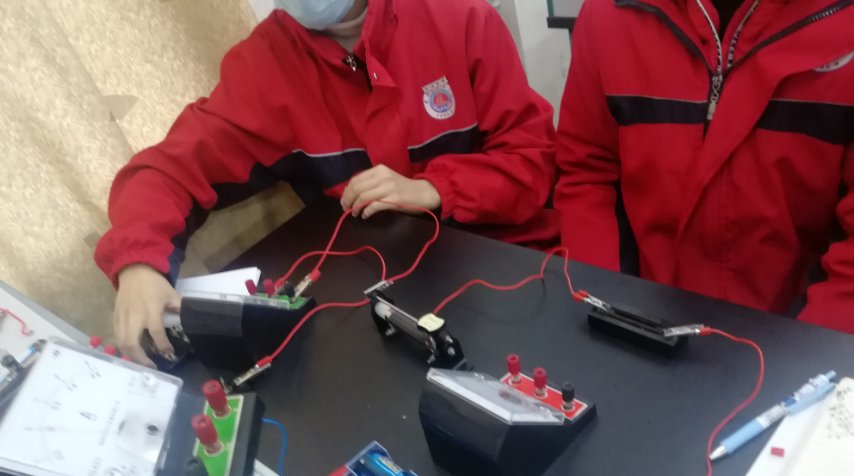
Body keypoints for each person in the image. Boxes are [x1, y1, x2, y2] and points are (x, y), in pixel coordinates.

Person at [95, 0, 558, 364]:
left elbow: (533, 157)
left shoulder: (460, 18)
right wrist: (138, 262)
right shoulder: (266, 64)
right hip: (376, 297)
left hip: (504, 268)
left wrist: (437, 188)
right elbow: (167, 169)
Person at [555, 0, 854, 333]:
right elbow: (587, 171)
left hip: (798, 334)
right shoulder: (610, 16)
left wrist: (812, 353)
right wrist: (606, 310)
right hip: (643, 323)